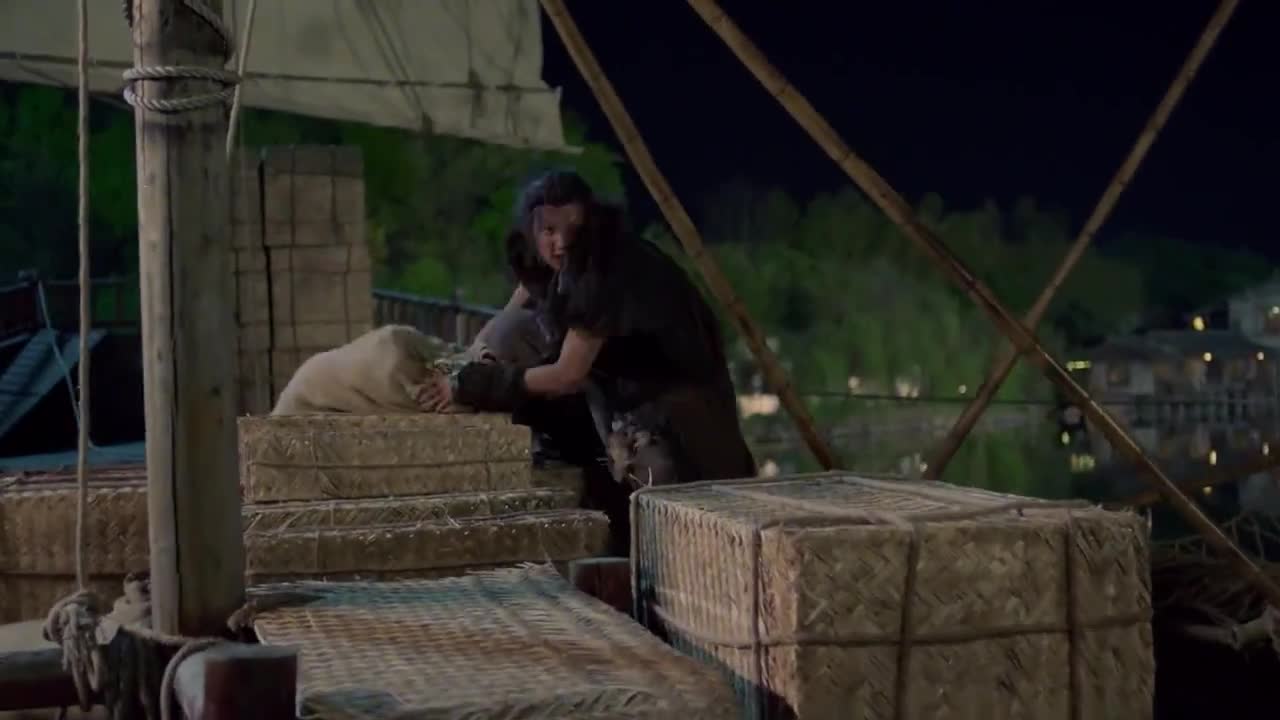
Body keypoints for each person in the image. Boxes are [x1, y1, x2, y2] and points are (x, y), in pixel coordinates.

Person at [422, 170, 756, 496]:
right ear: (532, 229)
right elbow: (509, 320)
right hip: (618, 389)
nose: (561, 243)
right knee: (512, 333)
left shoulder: (606, 268)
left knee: (655, 485)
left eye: (573, 229)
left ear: (590, 225)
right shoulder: (550, 258)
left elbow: (568, 373)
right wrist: (467, 362)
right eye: (549, 231)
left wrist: (473, 385)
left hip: (675, 408)